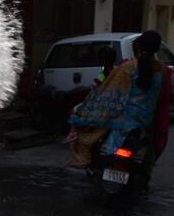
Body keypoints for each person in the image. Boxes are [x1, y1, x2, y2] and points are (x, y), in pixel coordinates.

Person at [68, 30, 171, 168]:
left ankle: (85, 159)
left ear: (138, 46)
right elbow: (162, 99)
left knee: (82, 126)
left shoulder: (126, 68)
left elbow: (107, 95)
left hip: (123, 122)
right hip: (147, 122)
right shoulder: (164, 70)